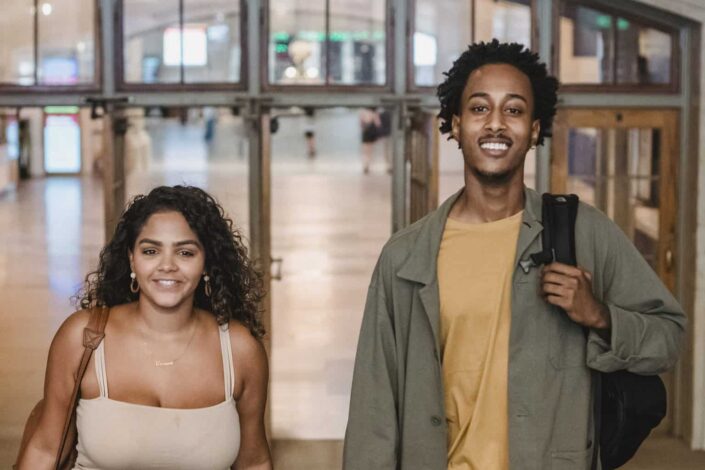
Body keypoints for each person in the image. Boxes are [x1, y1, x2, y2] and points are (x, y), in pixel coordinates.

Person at [343, 40, 686, 470]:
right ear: (455, 123)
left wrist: (599, 315)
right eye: (480, 108)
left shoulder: (583, 233)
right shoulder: (407, 257)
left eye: (515, 110)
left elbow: (668, 340)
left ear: (535, 129)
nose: (496, 125)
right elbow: (375, 408)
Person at [17, 186, 272, 470]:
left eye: (185, 252)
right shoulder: (83, 338)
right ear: (131, 259)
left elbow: (254, 462)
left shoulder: (240, 350)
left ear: (206, 263)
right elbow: (44, 450)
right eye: (151, 250)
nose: (167, 266)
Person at [359, 107, 382, 174]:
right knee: (370, 151)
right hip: (371, 133)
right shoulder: (374, 113)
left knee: (365, 151)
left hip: (365, 133)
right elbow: (378, 124)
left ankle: (365, 165)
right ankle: (368, 165)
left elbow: (361, 124)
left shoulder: (362, 112)